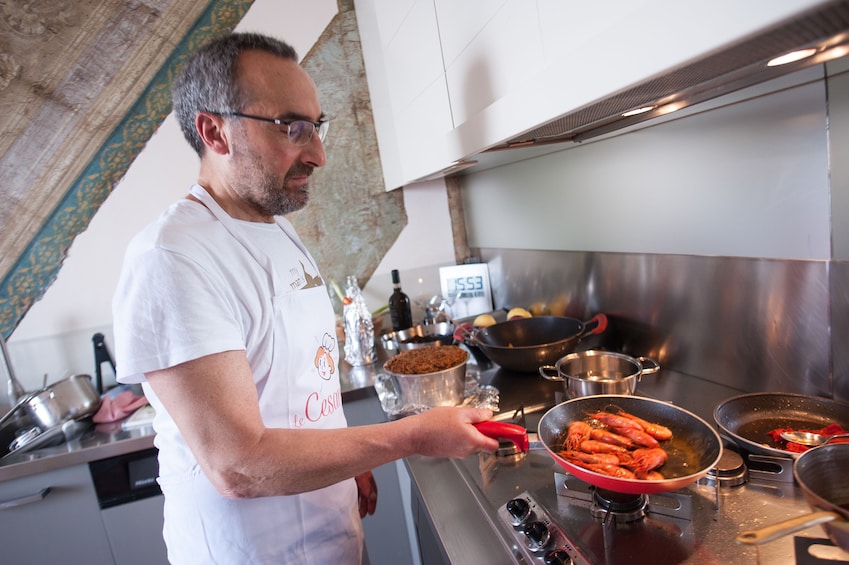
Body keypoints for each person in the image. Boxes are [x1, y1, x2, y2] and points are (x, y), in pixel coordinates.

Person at [112, 31, 499, 564]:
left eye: (317, 128)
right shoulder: (172, 259)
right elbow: (238, 464)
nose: (317, 153)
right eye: (292, 128)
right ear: (214, 132)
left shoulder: (277, 229)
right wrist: (407, 437)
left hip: (332, 538)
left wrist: (344, 456)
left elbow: (296, 381)